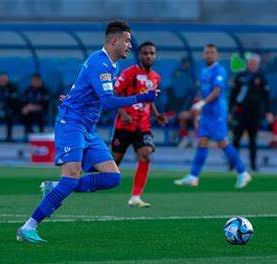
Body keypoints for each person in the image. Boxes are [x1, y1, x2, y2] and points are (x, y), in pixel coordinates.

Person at [16, 20, 157, 243]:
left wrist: (72, 98)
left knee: (112, 178)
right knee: (71, 177)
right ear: (114, 40)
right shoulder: (99, 64)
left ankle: (56, 187)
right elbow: (109, 102)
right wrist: (142, 97)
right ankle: (28, 227)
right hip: (72, 124)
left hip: (87, 127)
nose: (130, 45)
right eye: (127, 40)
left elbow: (82, 87)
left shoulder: (112, 65)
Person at [174, 44, 251, 188]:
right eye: (207, 53)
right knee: (202, 142)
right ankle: (193, 176)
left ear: (217, 55)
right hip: (206, 113)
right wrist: (198, 105)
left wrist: (202, 103)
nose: (209, 55)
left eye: (212, 53)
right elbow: (203, 91)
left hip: (217, 113)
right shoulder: (204, 71)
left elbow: (216, 91)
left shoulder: (219, 70)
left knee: (222, 142)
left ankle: (243, 173)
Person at [111, 41, 168, 208]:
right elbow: (114, 93)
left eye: (152, 53)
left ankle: (135, 196)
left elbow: (149, 100)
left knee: (145, 154)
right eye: (145, 53)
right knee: (112, 166)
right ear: (139, 55)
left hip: (143, 126)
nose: (149, 56)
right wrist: (123, 113)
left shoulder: (156, 77)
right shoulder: (130, 73)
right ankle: (76, 183)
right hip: (124, 126)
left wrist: (157, 115)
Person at [229, 53, 273, 172]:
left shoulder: (262, 77)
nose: (253, 65)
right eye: (251, 63)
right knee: (236, 140)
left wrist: (268, 112)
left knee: (253, 140)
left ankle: (253, 166)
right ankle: (232, 165)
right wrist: (230, 112)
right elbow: (232, 96)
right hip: (240, 113)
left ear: (258, 65)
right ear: (248, 64)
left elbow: (266, 96)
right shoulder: (241, 76)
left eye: (255, 63)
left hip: (254, 114)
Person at [21, 74, 50, 140]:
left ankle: (41, 134)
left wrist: (33, 107)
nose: (35, 82)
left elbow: (45, 105)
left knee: (40, 115)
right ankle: (28, 133)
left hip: (41, 110)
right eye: (33, 80)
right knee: (25, 113)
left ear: (40, 81)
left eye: (36, 80)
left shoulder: (45, 90)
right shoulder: (28, 90)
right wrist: (25, 107)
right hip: (29, 110)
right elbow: (24, 101)